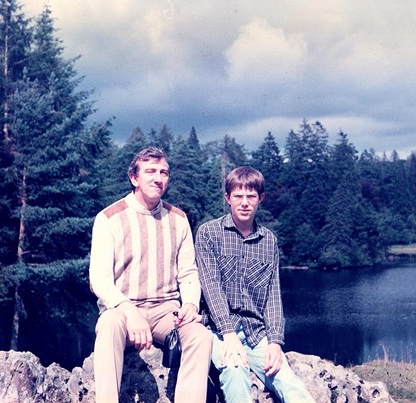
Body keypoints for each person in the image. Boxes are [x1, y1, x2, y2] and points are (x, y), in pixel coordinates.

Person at [89, 147, 212, 403]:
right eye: (151, 171)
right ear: (134, 178)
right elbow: (98, 280)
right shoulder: (109, 218)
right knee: (109, 325)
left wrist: (190, 303)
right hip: (121, 309)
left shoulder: (178, 219)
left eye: (164, 172)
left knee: (200, 336)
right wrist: (130, 312)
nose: (158, 178)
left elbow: (189, 273)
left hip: (165, 311)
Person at [195, 166, 315, 403]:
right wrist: (228, 334)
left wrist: (275, 342)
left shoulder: (269, 240)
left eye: (251, 196)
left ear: (261, 198)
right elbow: (210, 287)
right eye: (238, 196)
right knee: (236, 371)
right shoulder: (209, 233)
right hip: (217, 331)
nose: (244, 203)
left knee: (287, 381)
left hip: (255, 332)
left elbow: (272, 297)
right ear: (227, 198)